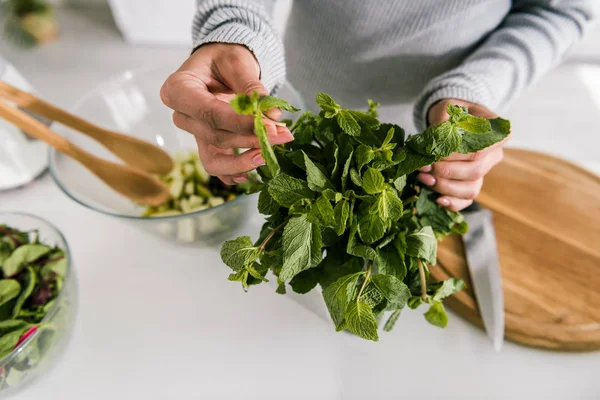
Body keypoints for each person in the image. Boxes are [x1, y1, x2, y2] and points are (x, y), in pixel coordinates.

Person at [160, 0, 596, 211]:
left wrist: (469, 92)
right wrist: (237, 31)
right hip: (288, 92)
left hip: (428, 141)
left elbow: (556, 10)